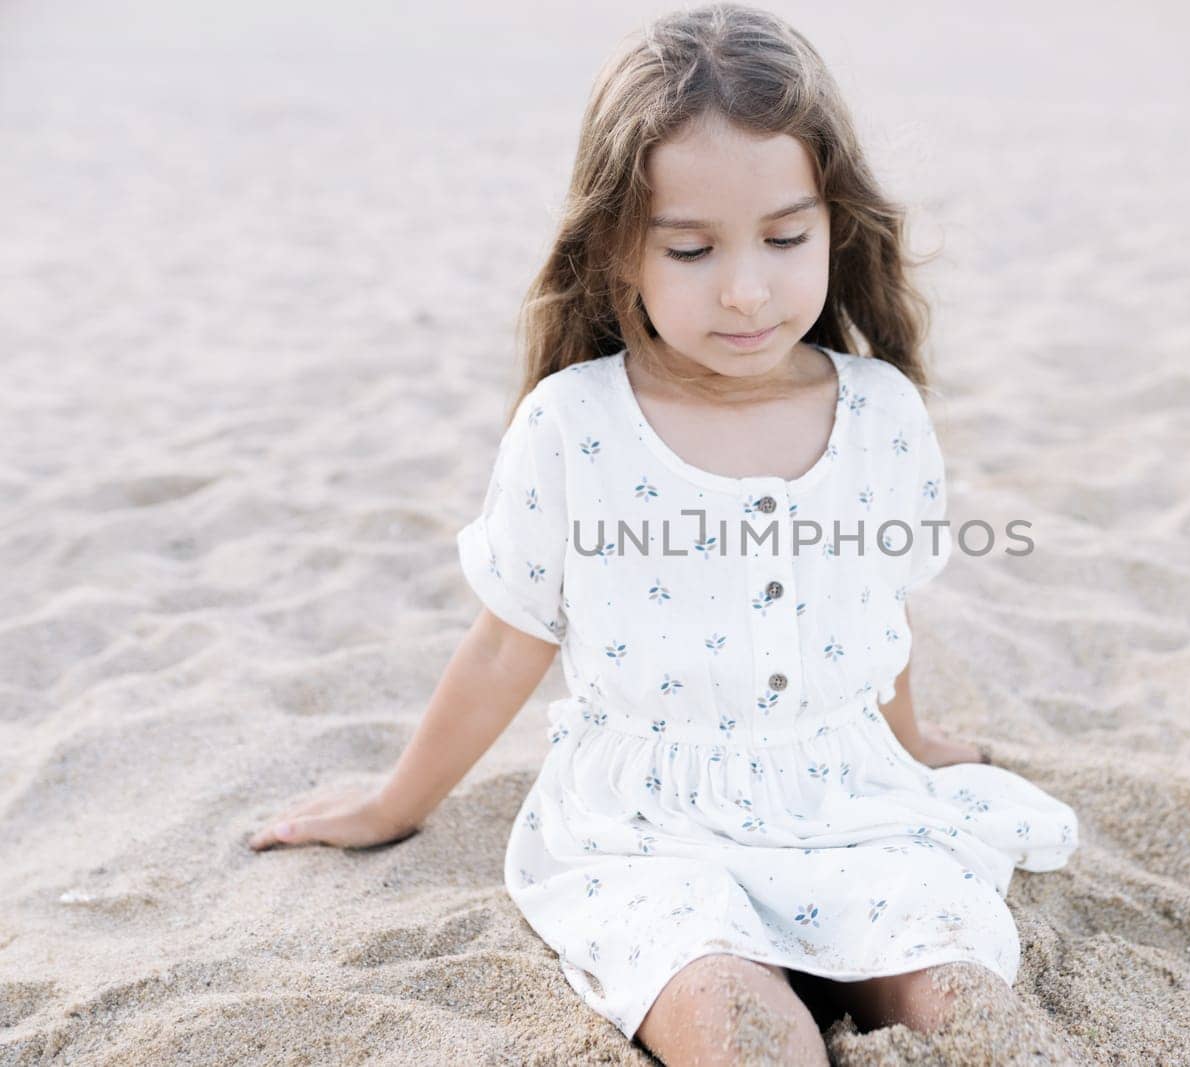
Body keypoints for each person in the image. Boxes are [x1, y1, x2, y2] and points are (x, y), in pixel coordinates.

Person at [250, 5, 1080, 1062]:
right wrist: (393, 799)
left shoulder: (879, 414)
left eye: (786, 237)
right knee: (741, 1024)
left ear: (835, 221)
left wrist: (910, 748)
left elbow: (877, 607)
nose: (747, 288)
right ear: (617, 249)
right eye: (691, 248)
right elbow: (510, 639)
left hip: (845, 795)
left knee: (970, 1006)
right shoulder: (575, 425)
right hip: (648, 827)